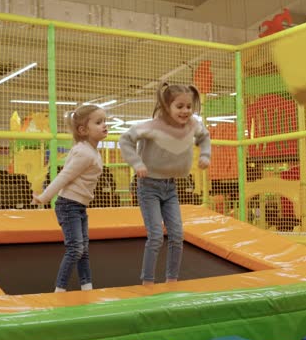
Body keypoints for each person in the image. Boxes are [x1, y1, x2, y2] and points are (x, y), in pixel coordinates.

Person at [119, 82, 211, 285]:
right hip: (148, 185)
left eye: (189, 106)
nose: (185, 111)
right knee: (156, 236)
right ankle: (148, 282)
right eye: (179, 106)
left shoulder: (193, 124)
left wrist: (205, 154)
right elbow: (125, 139)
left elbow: (204, 137)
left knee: (177, 235)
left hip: (170, 187)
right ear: (165, 107)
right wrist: (137, 162)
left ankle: (172, 280)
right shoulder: (153, 126)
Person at [34, 104, 108, 292]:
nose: (105, 125)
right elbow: (64, 176)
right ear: (83, 130)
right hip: (69, 205)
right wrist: (44, 197)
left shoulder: (89, 149)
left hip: (78, 206)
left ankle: (87, 287)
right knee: (76, 249)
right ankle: (59, 290)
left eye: (105, 121)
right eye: (99, 122)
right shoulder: (84, 152)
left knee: (83, 250)